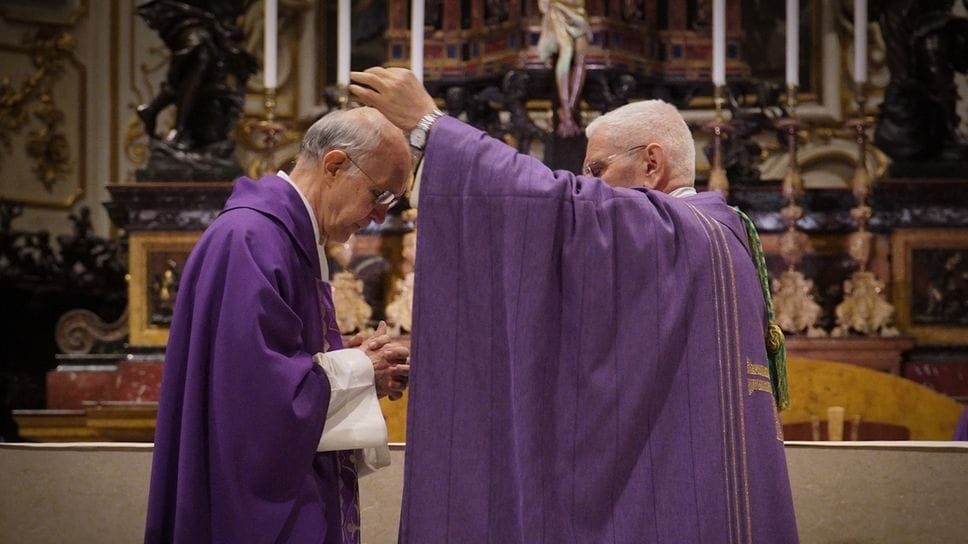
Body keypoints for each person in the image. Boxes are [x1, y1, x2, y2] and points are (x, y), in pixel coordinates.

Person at [350, 67, 799, 542]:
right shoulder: (716, 233)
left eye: (597, 171)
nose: (590, 187)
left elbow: (553, 202)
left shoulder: (675, 230)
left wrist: (431, 126)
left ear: (652, 163)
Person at [144, 107, 412, 543]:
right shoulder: (252, 239)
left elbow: (274, 361)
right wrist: (362, 369)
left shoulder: (286, 238)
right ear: (335, 165)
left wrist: (351, 359)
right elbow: (255, 403)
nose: (380, 216)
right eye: (379, 195)